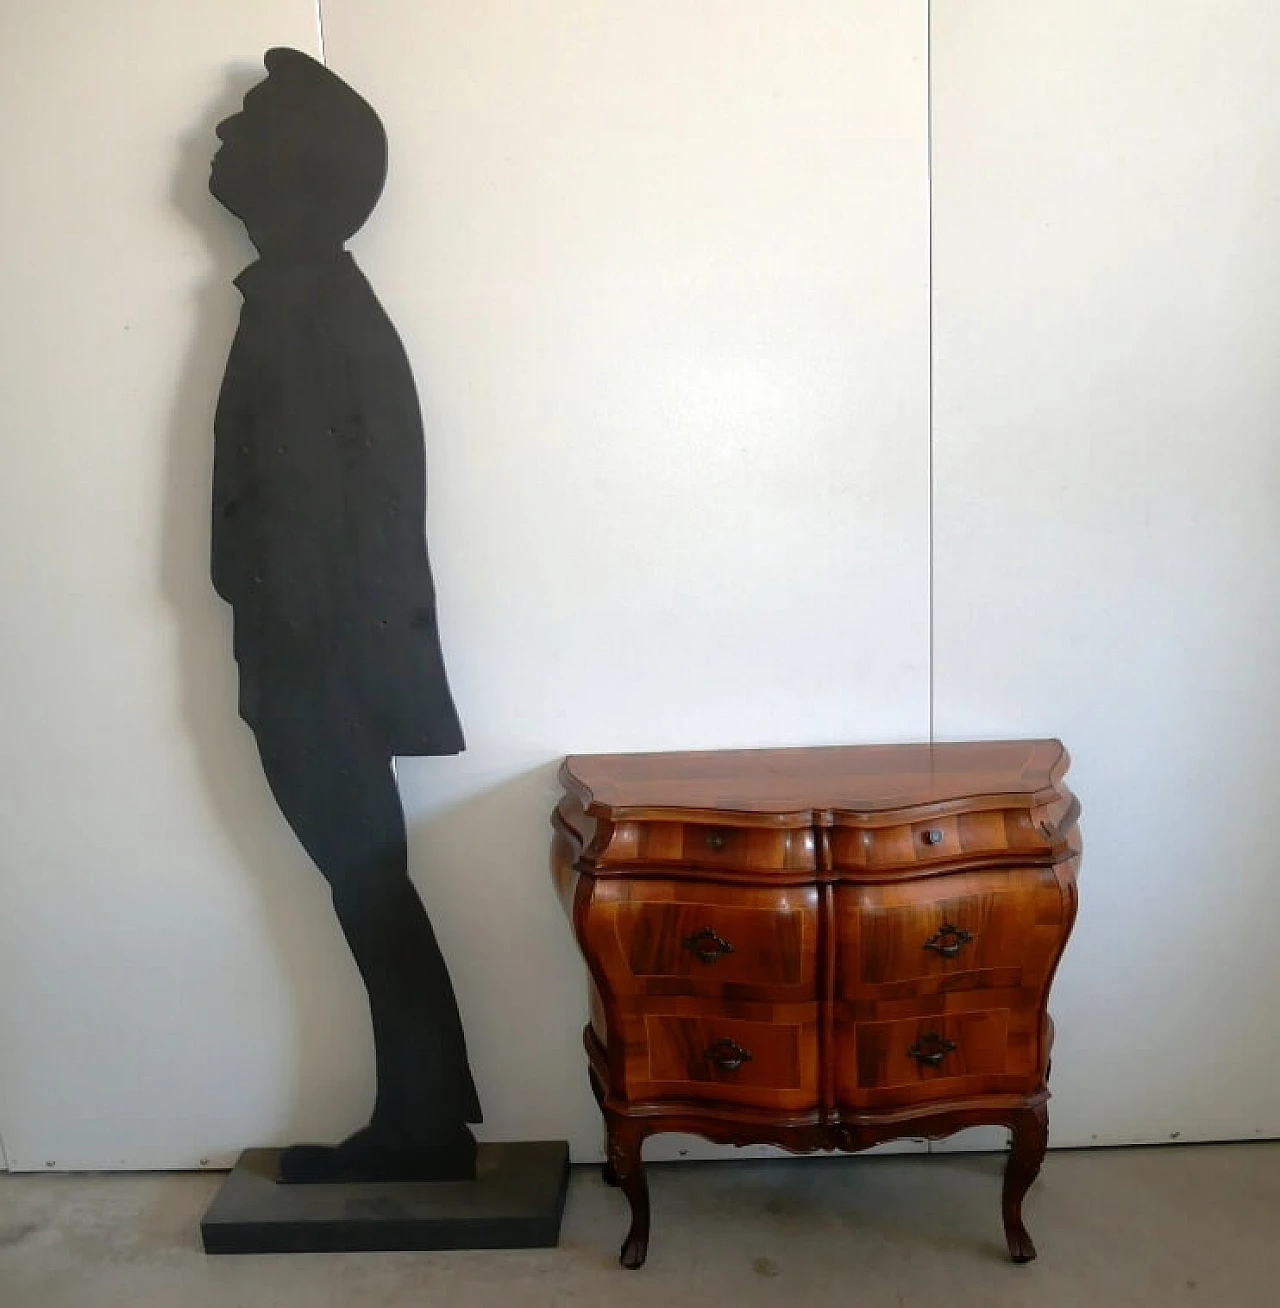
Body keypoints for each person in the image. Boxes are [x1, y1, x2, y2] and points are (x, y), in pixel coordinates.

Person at [208, 47, 481, 1183]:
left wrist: (300, 659)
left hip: (321, 658)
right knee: (369, 885)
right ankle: (424, 1112)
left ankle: (419, 1123)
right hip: (315, 654)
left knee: (369, 884)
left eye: (244, 124)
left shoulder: (313, 306)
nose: (216, 139)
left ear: (295, 169)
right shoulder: (304, 298)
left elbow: (336, 515)